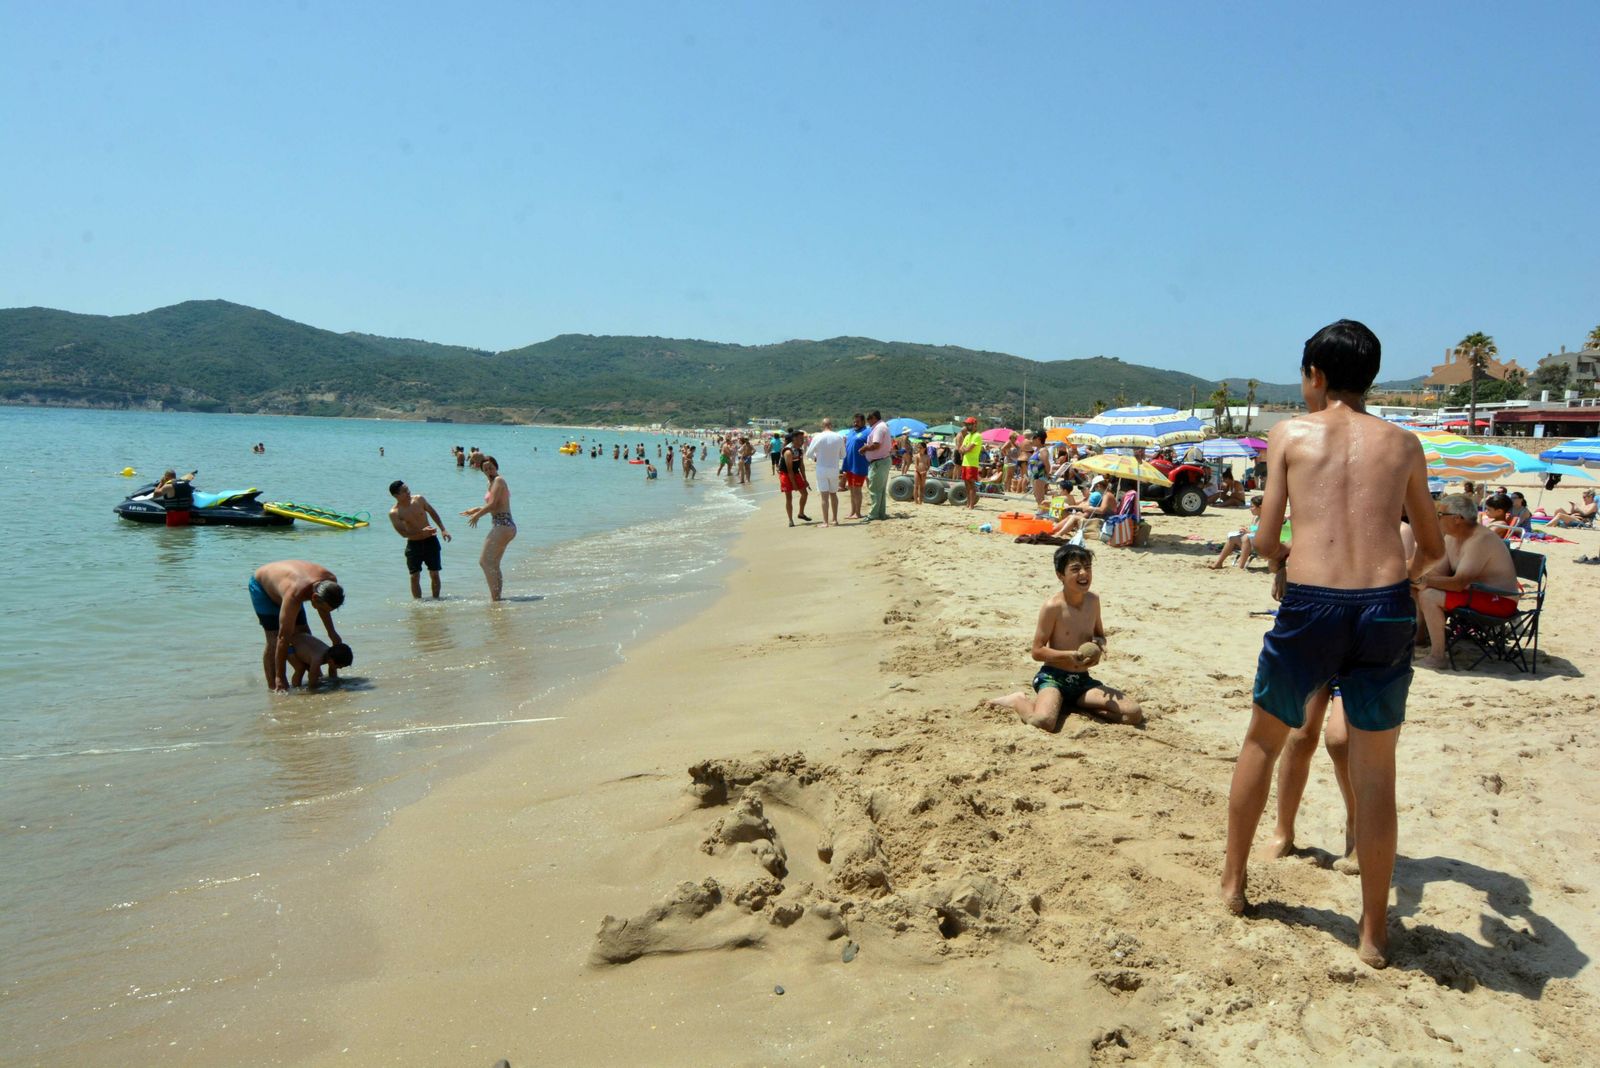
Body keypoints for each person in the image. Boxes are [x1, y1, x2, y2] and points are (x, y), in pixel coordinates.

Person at [1221, 319, 1444, 970]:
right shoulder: (1403, 444)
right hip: (1382, 608)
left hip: (1312, 602)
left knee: (1264, 738)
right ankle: (1373, 933)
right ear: (1370, 377)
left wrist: (1287, 562)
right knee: (1378, 773)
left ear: (1314, 377)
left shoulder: (1289, 434)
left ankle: (1234, 885)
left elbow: (1264, 540)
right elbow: (1430, 548)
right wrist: (1399, 584)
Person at [985, 544, 1143, 730]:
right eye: (1075, 569)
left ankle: (1075, 705)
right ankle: (1017, 700)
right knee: (1043, 722)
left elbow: (1099, 635)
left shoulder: (1093, 601)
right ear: (1060, 575)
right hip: (1053, 678)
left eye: (1088, 567)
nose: (1084, 573)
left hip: (1081, 680)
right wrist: (1068, 656)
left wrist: (1099, 646)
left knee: (1133, 713)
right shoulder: (1052, 607)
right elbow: (1037, 651)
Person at [1416, 493, 1520, 669]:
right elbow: (1437, 572)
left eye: (1440, 514)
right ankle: (1418, 640)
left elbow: (1458, 583)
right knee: (1416, 588)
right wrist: (1416, 577)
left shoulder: (1481, 539)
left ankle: (1437, 656)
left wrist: (1423, 580)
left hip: (1500, 601)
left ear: (1457, 518)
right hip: (1475, 594)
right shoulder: (1452, 537)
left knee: (1429, 595)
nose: (1437, 518)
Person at [249, 560, 346, 695]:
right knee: (274, 640)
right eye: (323, 608)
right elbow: (283, 638)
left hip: (291, 584)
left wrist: (332, 633)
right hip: (263, 590)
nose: (325, 612)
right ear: (314, 597)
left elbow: (324, 608)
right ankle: (274, 687)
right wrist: (280, 676)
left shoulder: (330, 582)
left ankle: (312, 677)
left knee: (303, 634)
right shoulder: (295, 594)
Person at [459, 456, 515, 601]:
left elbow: (494, 505)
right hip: (504, 525)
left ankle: (495, 598)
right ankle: (497, 598)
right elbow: (496, 505)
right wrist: (476, 509)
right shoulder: (491, 483)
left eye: (491, 467)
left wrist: (478, 515)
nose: (488, 471)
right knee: (493, 563)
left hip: (503, 525)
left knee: (484, 561)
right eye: (485, 469)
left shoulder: (499, 480)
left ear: (496, 466)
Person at [389, 479, 452, 599]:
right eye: (404, 491)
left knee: (434, 573)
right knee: (414, 576)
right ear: (396, 495)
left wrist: (443, 529)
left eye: (408, 489)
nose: (408, 492)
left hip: (430, 541)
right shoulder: (395, 512)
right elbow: (403, 533)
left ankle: (436, 601)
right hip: (414, 545)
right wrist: (421, 531)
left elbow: (432, 512)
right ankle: (418, 605)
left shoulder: (419, 499)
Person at [805, 417, 847, 527]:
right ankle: (835, 519)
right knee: (833, 494)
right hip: (834, 468)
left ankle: (825, 522)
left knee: (824, 496)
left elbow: (808, 454)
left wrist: (815, 456)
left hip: (821, 468)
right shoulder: (838, 437)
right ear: (831, 425)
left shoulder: (817, 437)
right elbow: (843, 455)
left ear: (822, 426)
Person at [287, 631, 354, 691]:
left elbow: (332, 674)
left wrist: (334, 683)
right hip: (289, 646)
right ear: (331, 661)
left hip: (301, 640)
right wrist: (312, 690)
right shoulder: (317, 659)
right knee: (300, 668)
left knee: (318, 676)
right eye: (339, 666)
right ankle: (295, 688)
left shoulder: (331, 653)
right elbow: (312, 678)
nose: (340, 668)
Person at [1209, 495, 1263, 569]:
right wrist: (1246, 530)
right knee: (1232, 538)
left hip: (1261, 545)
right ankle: (1219, 563)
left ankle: (1240, 566)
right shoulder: (1255, 518)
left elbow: (1264, 535)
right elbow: (1253, 530)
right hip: (1251, 542)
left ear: (1260, 507)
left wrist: (1248, 532)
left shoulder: (1266, 519)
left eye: (1252, 506)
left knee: (1246, 538)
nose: (1250, 509)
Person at [862, 410, 894, 521]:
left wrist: (865, 448)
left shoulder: (879, 428)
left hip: (879, 462)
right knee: (880, 489)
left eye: (869, 419)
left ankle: (873, 514)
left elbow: (876, 445)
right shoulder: (882, 426)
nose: (868, 422)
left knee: (874, 489)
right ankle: (880, 513)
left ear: (874, 418)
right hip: (882, 461)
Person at [778, 429, 811, 526]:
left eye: (803, 439)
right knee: (789, 497)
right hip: (785, 474)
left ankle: (801, 513)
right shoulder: (788, 451)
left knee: (804, 494)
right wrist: (794, 484)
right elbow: (789, 470)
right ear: (794, 439)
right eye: (801, 439)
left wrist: (805, 480)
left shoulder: (800, 450)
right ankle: (790, 520)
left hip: (795, 472)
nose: (803, 441)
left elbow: (801, 466)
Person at [841, 414, 869, 519]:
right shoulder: (851, 432)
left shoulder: (867, 432)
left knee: (857, 489)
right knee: (851, 489)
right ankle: (852, 512)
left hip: (859, 465)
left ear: (863, 422)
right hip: (848, 464)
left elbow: (871, 444)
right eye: (854, 421)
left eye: (857, 421)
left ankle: (858, 513)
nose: (855, 424)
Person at [954, 417, 984, 510]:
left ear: (974, 425)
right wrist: (964, 449)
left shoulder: (977, 436)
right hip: (965, 462)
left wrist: (964, 449)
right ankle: (968, 503)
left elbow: (966, 449)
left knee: (971, 484)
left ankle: (971, 504)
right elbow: (961, 449)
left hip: (972, 463)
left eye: (968, 424)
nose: (967, 426)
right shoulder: (967, 436)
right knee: (966, 484)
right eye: (966, 424)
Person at [913, 441, 932, 506]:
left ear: (924, 448)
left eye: (920, 447)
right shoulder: (917, 456)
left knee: (922, 487)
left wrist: (925, 471)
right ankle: (916, 501)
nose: (919, 449)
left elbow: (929, 465)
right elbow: (916, 465)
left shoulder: (927, 456)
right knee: (916, 486)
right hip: (917, 472)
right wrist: (920, 472)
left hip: (924, 472)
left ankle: (920, 501)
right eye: (918, 447)